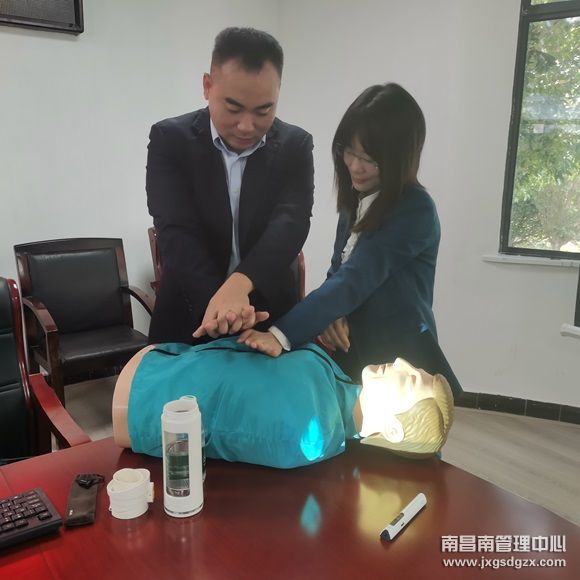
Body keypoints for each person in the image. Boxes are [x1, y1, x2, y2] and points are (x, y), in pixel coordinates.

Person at [235, 82, 461, 393]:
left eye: (370, 159)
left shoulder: (415, 210)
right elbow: (337, 274)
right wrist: (330, 316)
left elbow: (356, 278)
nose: (355, 166)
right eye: (349, 151)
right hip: (352, 353)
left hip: (401, 364)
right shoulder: (355, 202)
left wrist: (280, 335)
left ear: (400, 160)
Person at [146, 27, 314, 344]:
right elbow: (176, 230)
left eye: (264, 110)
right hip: (190, 313)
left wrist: (240, 284)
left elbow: (290, 223)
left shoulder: (296, 145)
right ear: (207, 86)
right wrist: (222, 308)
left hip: (268, 317)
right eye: (234, 108)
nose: (247, 126)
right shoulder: (170, 140)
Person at [112, 338, 454, 468]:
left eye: (411, 379)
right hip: (164, 362)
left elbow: (218, 423)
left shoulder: (308, 434)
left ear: (392, 429)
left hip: (144, 399)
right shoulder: (336, 390)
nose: (401, 362)